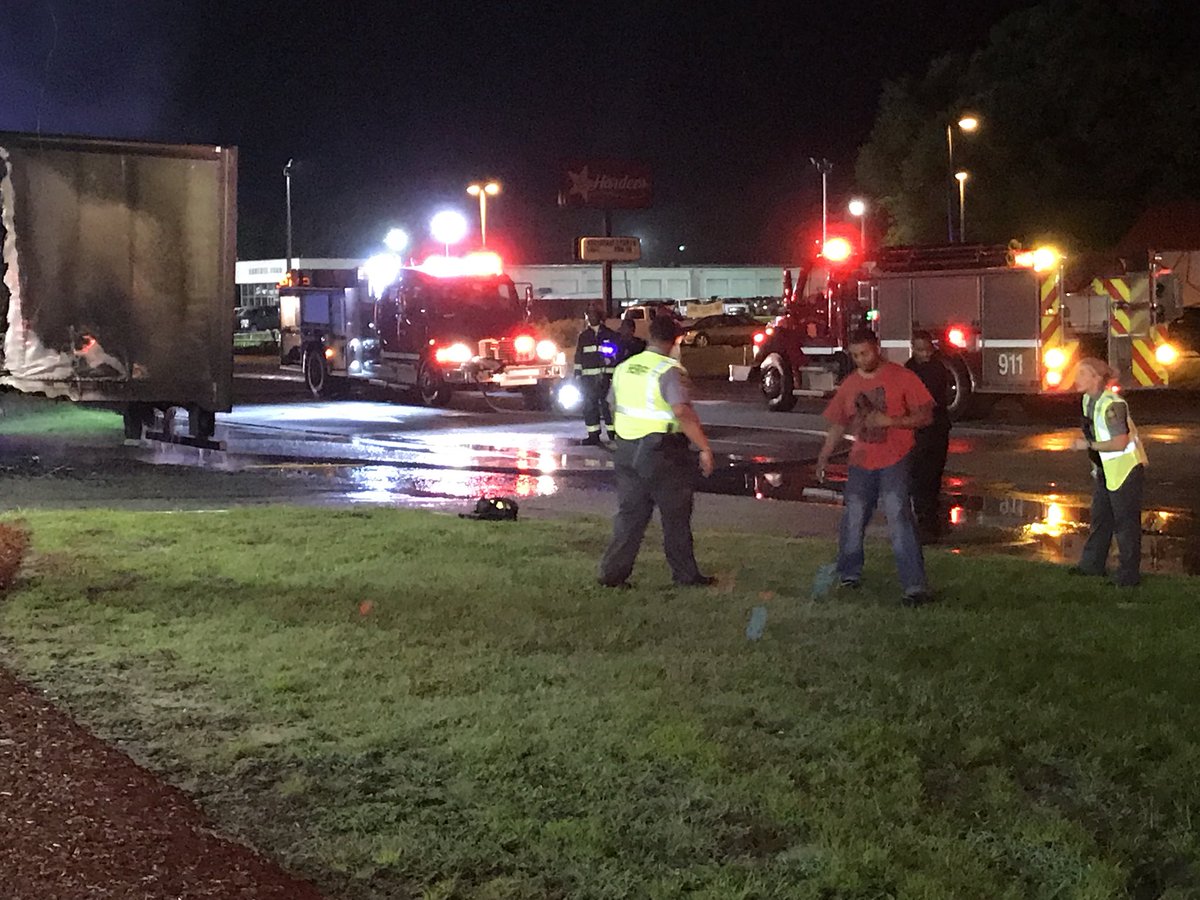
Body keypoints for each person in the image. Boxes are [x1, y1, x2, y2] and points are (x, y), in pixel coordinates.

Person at [815, 328, 935, 606]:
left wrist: (890, 422)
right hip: (861, 461)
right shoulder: (850, 384)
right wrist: (824, 455)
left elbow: (926, 415)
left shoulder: (902, 377)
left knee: (899, 517)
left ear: (876, 348)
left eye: (865, 353)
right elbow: (838, 423)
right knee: (854, 517)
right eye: (855, 355)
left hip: (896, 458)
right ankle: (848, 574)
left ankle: (914, 585)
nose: (860, 359)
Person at [598, 315, 716, 588]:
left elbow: (613, 405)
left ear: (650, 336)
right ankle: (685, 575)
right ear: (674, 340)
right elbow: (681, 410)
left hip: (626, 449)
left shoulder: (626, 367)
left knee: (630, 516)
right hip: (662, 451)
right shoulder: (668, 369)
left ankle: (612, 575)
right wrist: (704, 447)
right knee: (675, 515)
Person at [1071, 357, 1147, 587]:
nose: (1076, 379)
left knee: (1125, 525)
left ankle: (1128, 578)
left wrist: (1088, 447)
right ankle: (1092, 566)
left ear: (1096, 378)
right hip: (1106, 470)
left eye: (1082, 374)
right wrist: (1095, 465)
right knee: (1101, 518)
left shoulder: (1113, 405)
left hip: (1125, 470)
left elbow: (1119, 442)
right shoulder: (1087, 400)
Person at [905, 332, 953, 542]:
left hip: (936, 428)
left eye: (926, 349)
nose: (923, 354)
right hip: (918, 430)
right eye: (919, 350)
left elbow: (933, 398)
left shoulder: (936, 368)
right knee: (919, 475)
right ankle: (924, 518)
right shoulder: (909, 369)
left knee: (932, 474)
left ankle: (929, 518)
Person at [573, 308, 618, 445]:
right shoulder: (584, 336)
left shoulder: (609, 335)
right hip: (588, 379)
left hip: (605, 377)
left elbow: (614, 354)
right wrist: (577, 375)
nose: (591, 317)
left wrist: (610, 373)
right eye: (589, 315)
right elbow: (579, 357)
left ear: (599, 317)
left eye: (593, 315)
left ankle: (613, 433)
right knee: (590, 406)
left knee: (607, 406)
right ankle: (593, 435)